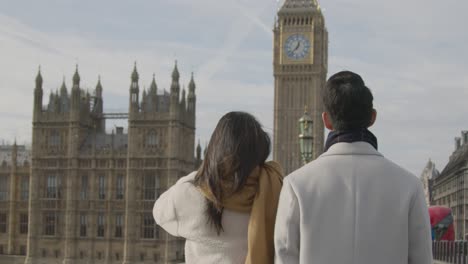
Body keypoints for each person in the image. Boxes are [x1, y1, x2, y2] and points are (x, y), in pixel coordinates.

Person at [274, 71, 432, 264]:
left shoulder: (295, 184)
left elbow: (285, 257)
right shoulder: (410, 185)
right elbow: (422, 259)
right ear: (372, 118)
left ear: (326, 120)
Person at [153, 111, 283, 264]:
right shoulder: (273, 190)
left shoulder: (191, 195)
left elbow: (159, 212)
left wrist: (204, 172)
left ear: (215, 149)